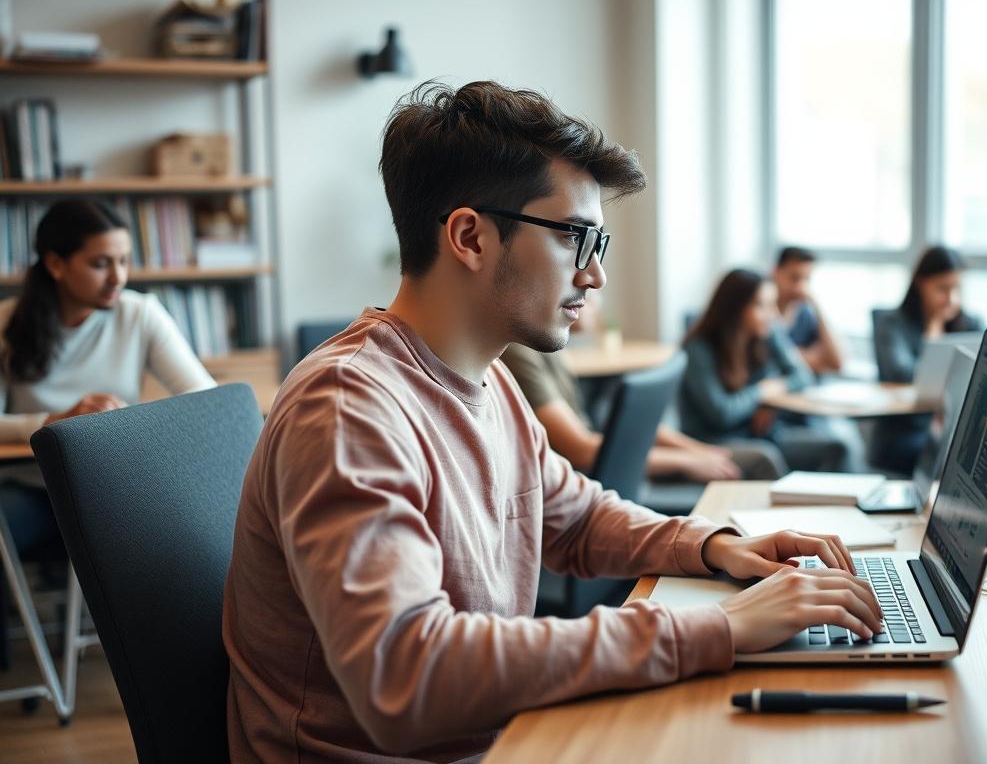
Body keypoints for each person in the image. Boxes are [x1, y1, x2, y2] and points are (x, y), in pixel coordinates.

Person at [222, 81, 882, 763]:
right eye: (575, 238)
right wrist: (717, 628)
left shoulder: (493, 381)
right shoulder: (348, 407)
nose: (594, 277)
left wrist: (716, 545)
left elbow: (577, 518)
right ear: (470, 237)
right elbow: (404, 677)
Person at [0, 199, 215, 560]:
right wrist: (52, 423)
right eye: (100, 264)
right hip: (32, 488)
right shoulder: (6, 323)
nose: (118, 277)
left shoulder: (140, 314)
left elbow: (206, 399)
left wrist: (124, 423)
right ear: (55, 264)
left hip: (114, 486)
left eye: (124, 260)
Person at [500, 290, 782, 485]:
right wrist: (685, 460)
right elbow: (581, 450)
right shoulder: (519, 351)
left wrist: (697, 450)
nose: (595, 297)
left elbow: (621, 429)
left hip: (607, 472)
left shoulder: (550, 348)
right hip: (593, 483)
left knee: (759, 458)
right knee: (761, 460)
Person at [680, 268, 858, 473]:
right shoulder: (698, 348)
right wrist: (761, 393)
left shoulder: (767, 332)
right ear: (735, 307)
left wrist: (770, 400)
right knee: (766, 456)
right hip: (714, 441)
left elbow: (803, 376)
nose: (773, 314)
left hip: (759, 434)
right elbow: (722, 413)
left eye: (773, 304)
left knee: (838, 448)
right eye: (761, 305)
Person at [870, 245, 984, 473]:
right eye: (942, 288)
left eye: (957, 289)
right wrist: (933, 334)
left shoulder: (971, 324)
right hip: (906, 430)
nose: (951, 299)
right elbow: (902, 374)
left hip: (955, 427)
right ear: (921, 283)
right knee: (949, 455)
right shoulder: (891, 323)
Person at [772, 246, 843, 374]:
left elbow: (836, 362)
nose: (801, 287)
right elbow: (770, 362)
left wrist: (817, 306)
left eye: (807, 279)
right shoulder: (759, 314)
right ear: (776, 272)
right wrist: (808, 356)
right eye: (795, 278)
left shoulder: (806, 313)